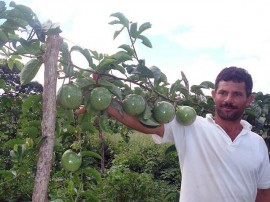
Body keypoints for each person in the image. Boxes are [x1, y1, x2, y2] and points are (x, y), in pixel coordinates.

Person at [76, 66, 270, 201]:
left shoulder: (257, 143)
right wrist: (104, 101)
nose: (228, 99)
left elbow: (263, 192)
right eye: (223, 93)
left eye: (237, 94)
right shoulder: (191, 125)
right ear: (213, 95)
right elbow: (145, 124)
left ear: (249, 99)